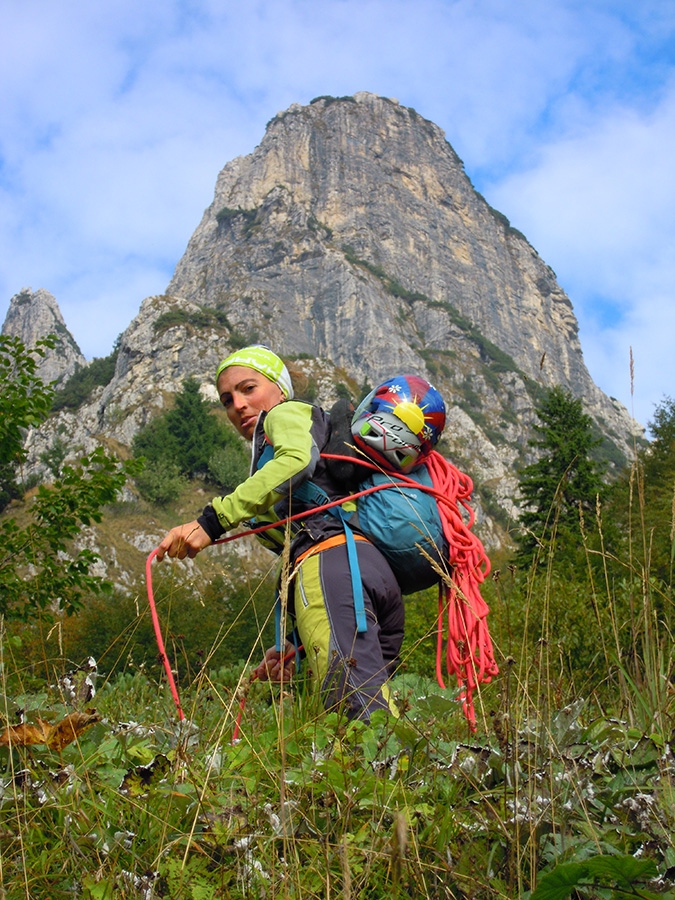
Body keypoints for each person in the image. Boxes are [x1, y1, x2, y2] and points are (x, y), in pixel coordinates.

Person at [156, 345, 404, 720]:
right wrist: (295, 645)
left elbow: (297, 461)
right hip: (365, 572)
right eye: (227, 399)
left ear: (280, 390)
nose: (237, 404)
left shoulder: (286, 414)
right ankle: (398, 778)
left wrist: (213, 521)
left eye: (248, 388)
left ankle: (383, 778)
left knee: (355, 709)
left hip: (332, 566)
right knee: (375, 709)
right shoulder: (300, 434)